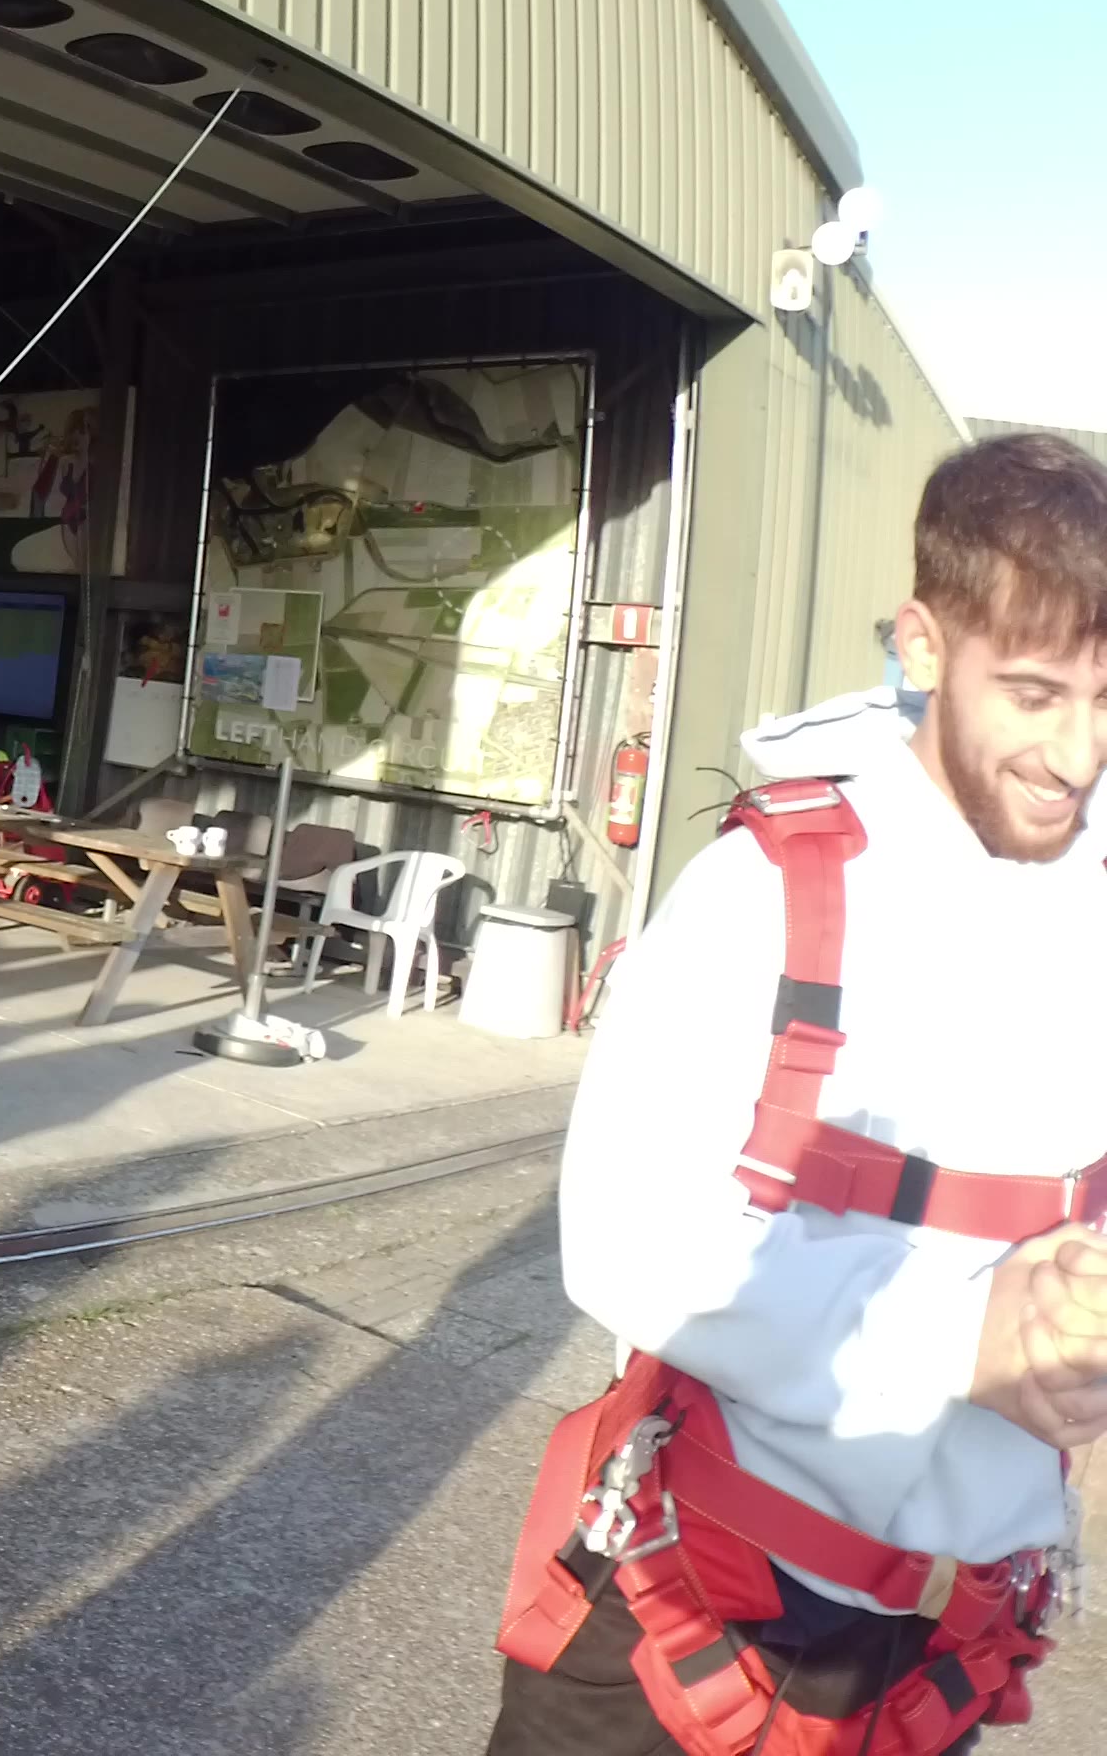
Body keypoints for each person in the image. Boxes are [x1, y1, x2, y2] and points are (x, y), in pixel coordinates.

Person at [487, 433, 1107, 1756]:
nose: (1078, 753)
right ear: (925, 646)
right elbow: (628, 1237)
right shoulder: (769, 888)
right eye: (1036, 694)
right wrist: (967, 1345)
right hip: (684, 1615)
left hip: (937, 1659)